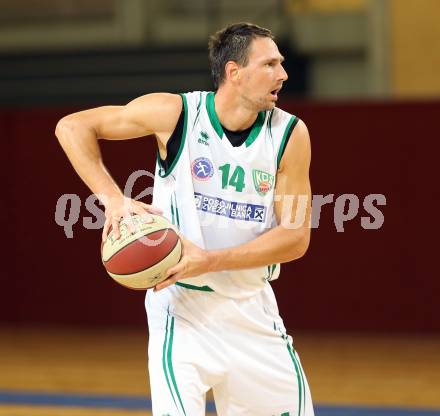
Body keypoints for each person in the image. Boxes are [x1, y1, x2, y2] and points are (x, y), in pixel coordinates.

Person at [56, 22, 314, 416]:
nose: (283, 74)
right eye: (270, 64)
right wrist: (113, 200)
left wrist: (211, 260)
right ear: (234, 72)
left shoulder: (290, 134)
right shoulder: (177, 114)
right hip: (181, 309)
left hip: (252, 310)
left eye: (280, 64)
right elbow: (73, 127)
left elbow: (295, 238)